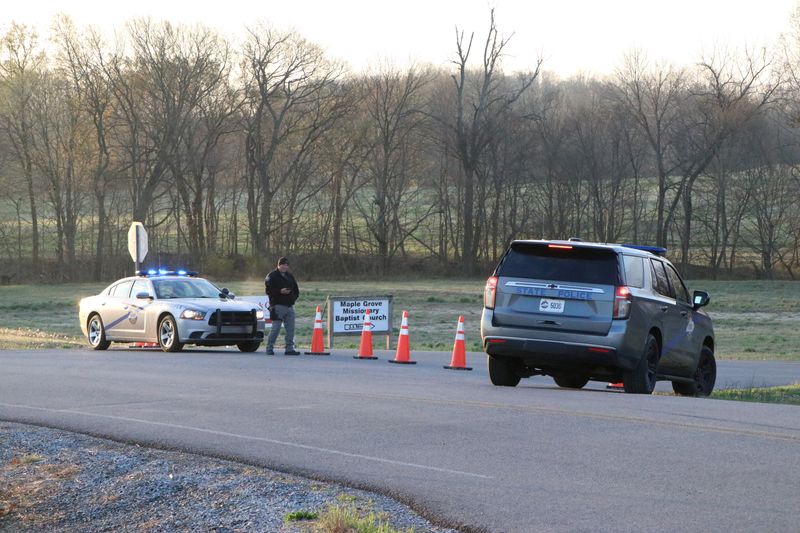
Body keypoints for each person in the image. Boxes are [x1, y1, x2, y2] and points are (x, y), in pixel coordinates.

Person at [264, 256, 300, 355]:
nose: (284, 267)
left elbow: (296, 290)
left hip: (289, 306)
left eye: (286, 265)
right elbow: (268, 291)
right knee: (276, 328)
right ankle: (269, 348)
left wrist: (292, 298)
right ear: (278, 265)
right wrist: (280, 291)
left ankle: (289, 349)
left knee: (291, 329)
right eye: (282, 265)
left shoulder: (290, 276)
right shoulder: (272, 276)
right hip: (277, 306)